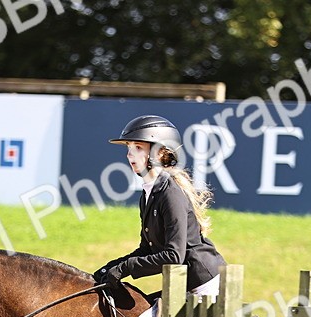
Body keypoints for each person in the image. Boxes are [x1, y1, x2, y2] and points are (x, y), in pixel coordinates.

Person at [93, 115, 227, 297]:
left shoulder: (170, 193)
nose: (129, 154)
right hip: (183, 283)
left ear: (160, 153)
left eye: (138, 148)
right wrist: (113, 266)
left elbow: (173, 257)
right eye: (129, 148)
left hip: (204, 283)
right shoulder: (148, 194)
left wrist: (125, 268)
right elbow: (146, 250)